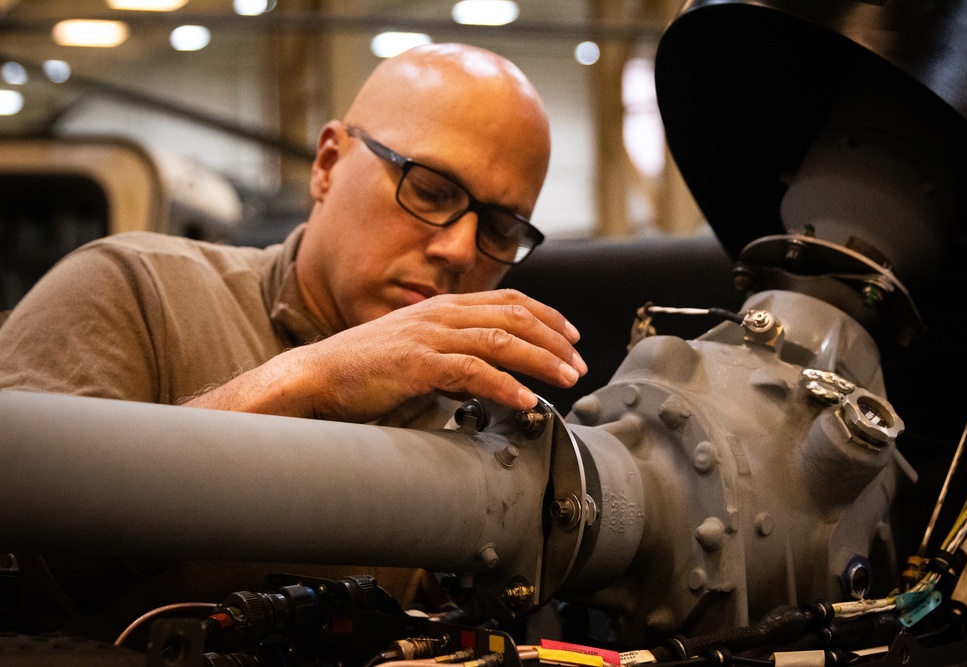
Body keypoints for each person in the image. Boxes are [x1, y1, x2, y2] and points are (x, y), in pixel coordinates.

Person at [0, 43, 586, 639]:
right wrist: (312, 381)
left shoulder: (489, 418)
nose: (459, 250)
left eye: (501, 229)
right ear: (328, 162)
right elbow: (19, 562)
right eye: (431, 191)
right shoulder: (136, 292)